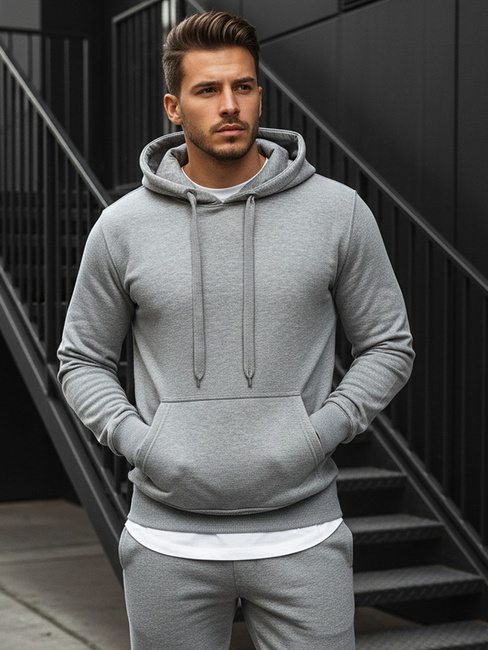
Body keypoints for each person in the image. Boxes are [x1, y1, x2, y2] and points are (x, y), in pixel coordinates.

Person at [58, 10, 414, 650]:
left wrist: (318, 433)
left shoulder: (337, 212)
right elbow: (81, 359)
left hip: (304, 537)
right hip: (167, 542)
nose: (230, 105)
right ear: (173, 107)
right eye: (208, 89)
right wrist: (144, 444)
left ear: (259, 94)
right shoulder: (121, 227)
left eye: (243, 86)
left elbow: (388, 345)